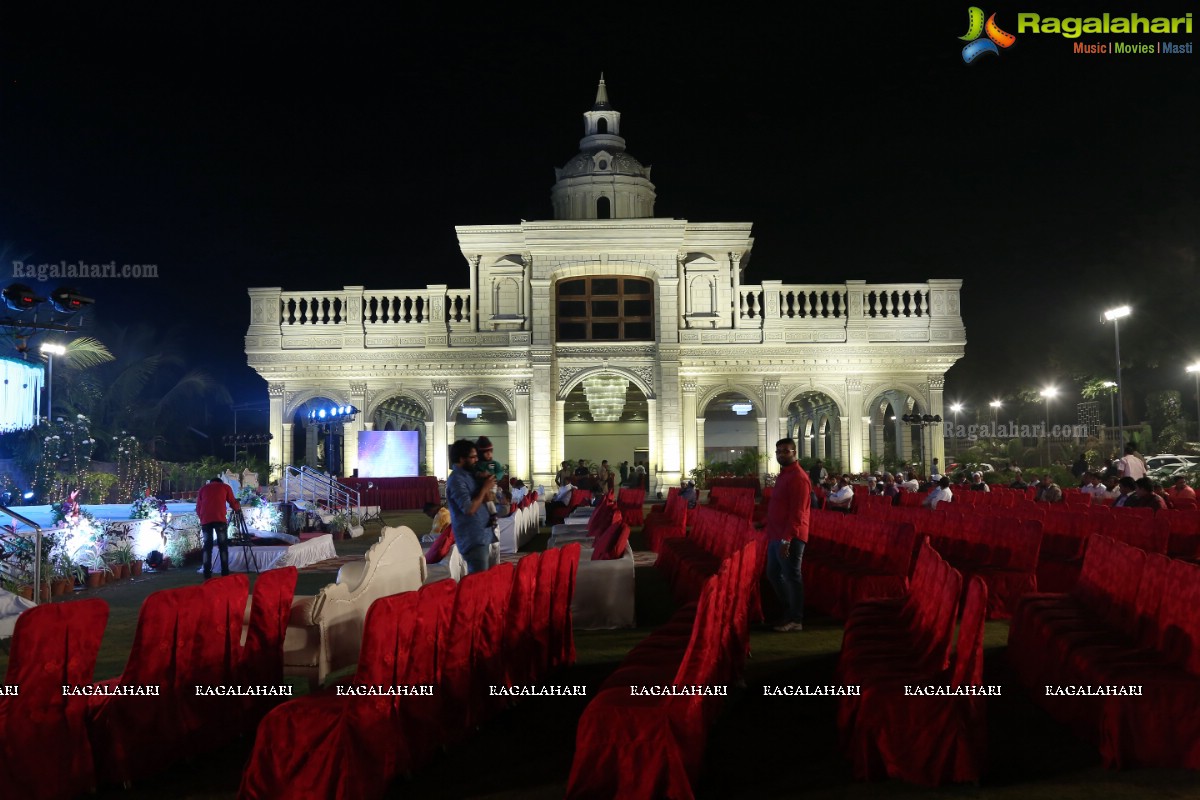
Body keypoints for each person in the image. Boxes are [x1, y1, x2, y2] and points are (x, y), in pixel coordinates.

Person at [762, 438, 812, 633]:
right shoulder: (784, 475)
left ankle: (796, 619)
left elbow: (798, 512)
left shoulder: (798, 477)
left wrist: (787, 538)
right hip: (776, 534)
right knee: (773, 573)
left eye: (785, 451)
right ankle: (788, 611)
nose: (781, 454)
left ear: (794, 452)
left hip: (790, 536)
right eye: (778, 451)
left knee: (792, 576)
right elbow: (779, 506)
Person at [445, 439, 496, 574]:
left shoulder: (471, 475)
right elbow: (469, 509)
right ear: (461, 459)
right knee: (479, 584)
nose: (476, 460)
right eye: (472, 457)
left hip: (483, 534)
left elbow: (484, 498)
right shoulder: (456, 479)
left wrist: (486, 488)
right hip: (473, 538)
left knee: (488, 581)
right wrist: (484, 489)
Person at [196, 476, 241, 580]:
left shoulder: (203, 489)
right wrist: (237, 507)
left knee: (207, 547)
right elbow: (232, 502)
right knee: (222, 547)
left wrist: (202, 518)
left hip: (206, 520)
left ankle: (207, 573)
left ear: (211, 482)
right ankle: (224, 572)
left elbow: (198, 507)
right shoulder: (225, 487)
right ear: (220, 482)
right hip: (220, 519)